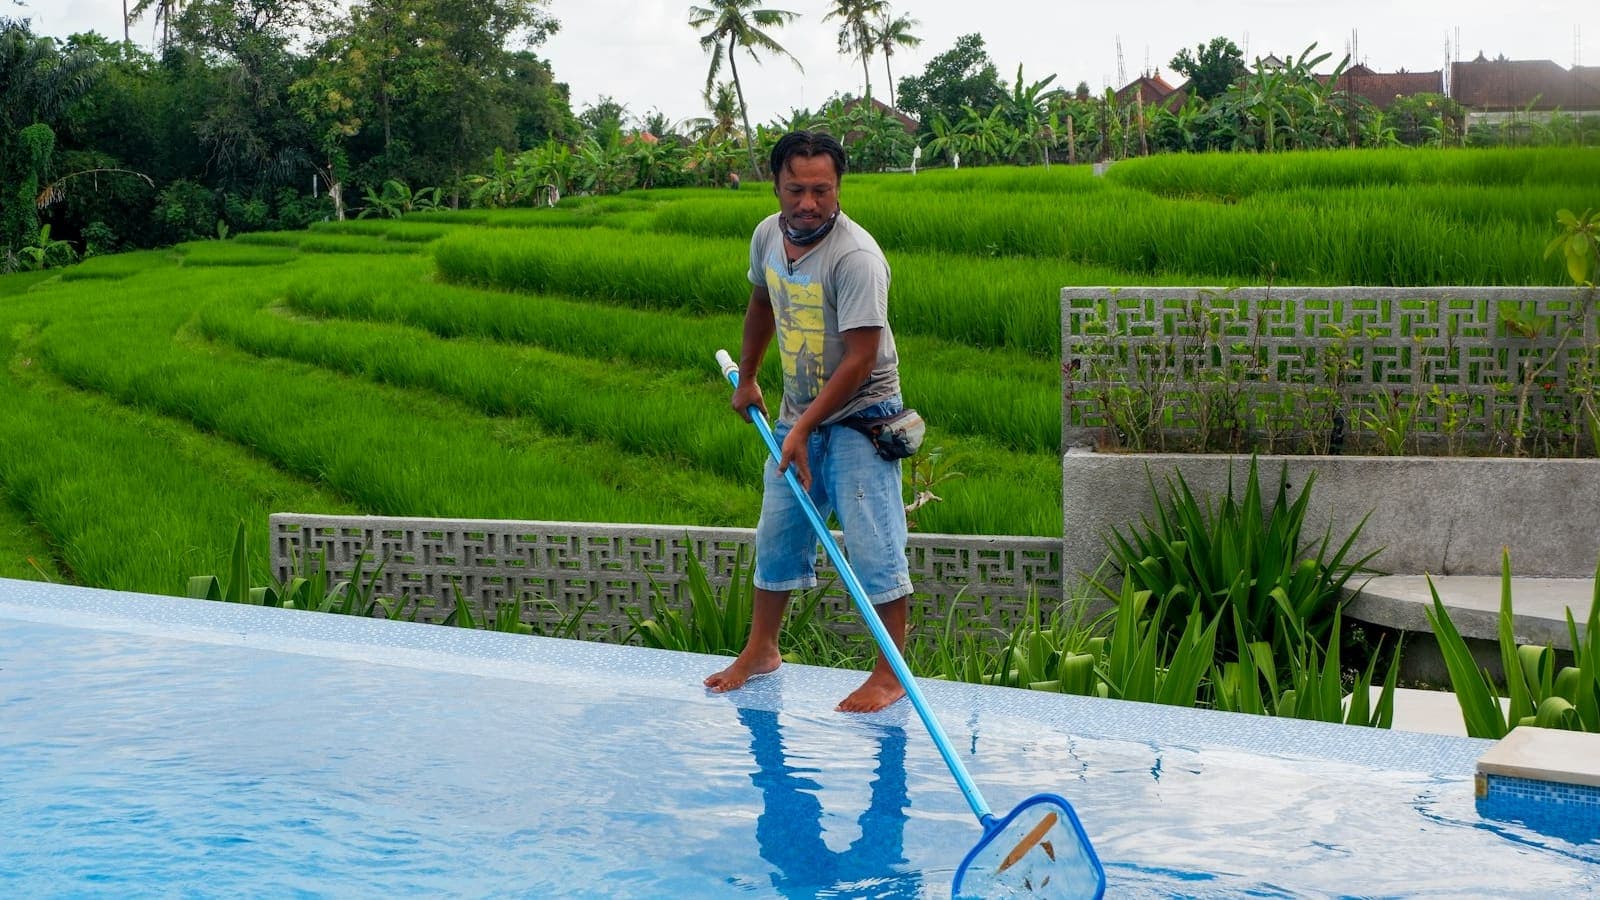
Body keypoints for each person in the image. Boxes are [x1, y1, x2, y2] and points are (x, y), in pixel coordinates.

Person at [703, 130, 913, 714]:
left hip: (861, 416)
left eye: (822, 190)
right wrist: (748, 377)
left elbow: (861, 358)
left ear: (838, 188)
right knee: (777, 534)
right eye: (796, 189)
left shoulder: (856, 258)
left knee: (875, 546)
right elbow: (760, 303)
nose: (808, 203)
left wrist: (801, 430)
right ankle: (762, 650)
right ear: (776, 186)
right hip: (800, 413)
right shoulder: (768, 237)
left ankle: (889, 673)